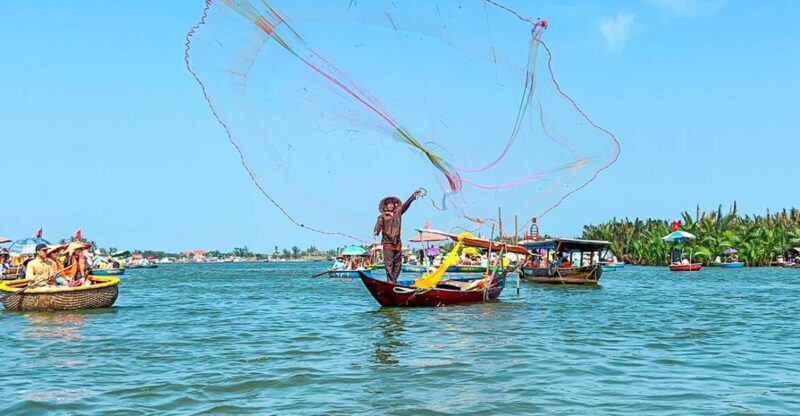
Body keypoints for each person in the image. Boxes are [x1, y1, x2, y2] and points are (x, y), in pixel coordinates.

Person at [373, 190, 422, 283]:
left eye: (392, 204)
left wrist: (413, 197)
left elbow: (405, 206)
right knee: (389, 265)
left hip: (398, 243)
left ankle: (394, 281)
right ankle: (390, 281)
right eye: (389, 204)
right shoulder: (382, 216)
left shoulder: (398, 214)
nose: (391, 205)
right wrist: (376, 231)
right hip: (388, 243)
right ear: (386, 206)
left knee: (398, 264)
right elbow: (379, 225)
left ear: (395, 205)